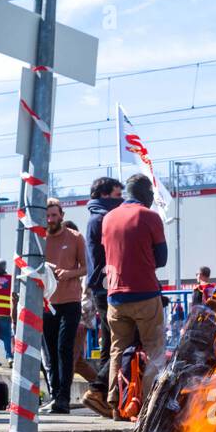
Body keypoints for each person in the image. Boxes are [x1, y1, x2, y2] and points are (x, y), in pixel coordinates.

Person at [102, 173, 167, 419]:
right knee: (154, 349)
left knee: (117, 349)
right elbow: (161, 259)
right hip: (145, 293)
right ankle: (148, 405)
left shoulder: (108, 218)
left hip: (115, 296)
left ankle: (115, 403)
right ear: (145, 194)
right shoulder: (150, 217)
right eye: (151, 193)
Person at [81, 175, 123, 417]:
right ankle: (98, 390)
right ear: (105, 195)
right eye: (118, 195)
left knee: (109, 342)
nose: (122, 201)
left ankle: (106, 398)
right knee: (122, 339)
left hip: (102, 286)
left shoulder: (96, 217)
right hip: (107, 286)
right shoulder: (102, 219)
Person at [41, 197, 88, 415]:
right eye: (47, 215)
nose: (50, 219)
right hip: (46, 302)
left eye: (54, 215)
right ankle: (54, 395)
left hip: (70, 301)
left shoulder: (76, 237)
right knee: (50, 352)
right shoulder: (38, 238)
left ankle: (63, 398)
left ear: (61, 216)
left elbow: (85, 268)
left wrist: (69, 273)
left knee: (64, 348)